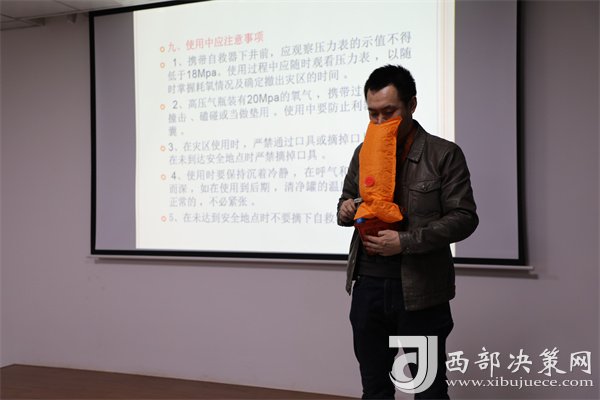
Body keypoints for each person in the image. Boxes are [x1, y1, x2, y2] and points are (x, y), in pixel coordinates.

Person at [337, 65, 478, 399]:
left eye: (389, 112)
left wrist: (405, 242)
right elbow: (346, 201)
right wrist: (345, 210)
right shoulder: (362, 152)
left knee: (427, 389)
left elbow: (464, 217)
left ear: (412, 105)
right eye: (373, 114)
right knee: (375, 389)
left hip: (420, 292)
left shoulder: (443, 154)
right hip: (368, 287)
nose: (380, 121)